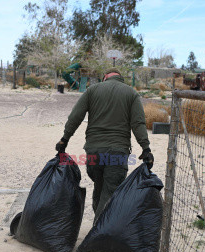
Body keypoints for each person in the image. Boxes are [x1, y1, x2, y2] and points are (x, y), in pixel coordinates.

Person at [55, 68, 153, 222]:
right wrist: (145, 148)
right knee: (110, 192)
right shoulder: (131, 94)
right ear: (120, 78)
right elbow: (138, 123)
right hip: (117, 153)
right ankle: (99, 231)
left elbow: (75, 116)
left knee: (100, 187)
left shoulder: (92, 90)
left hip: (93, 152)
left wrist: (64, 139)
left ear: (105, 78)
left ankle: (98, 227)